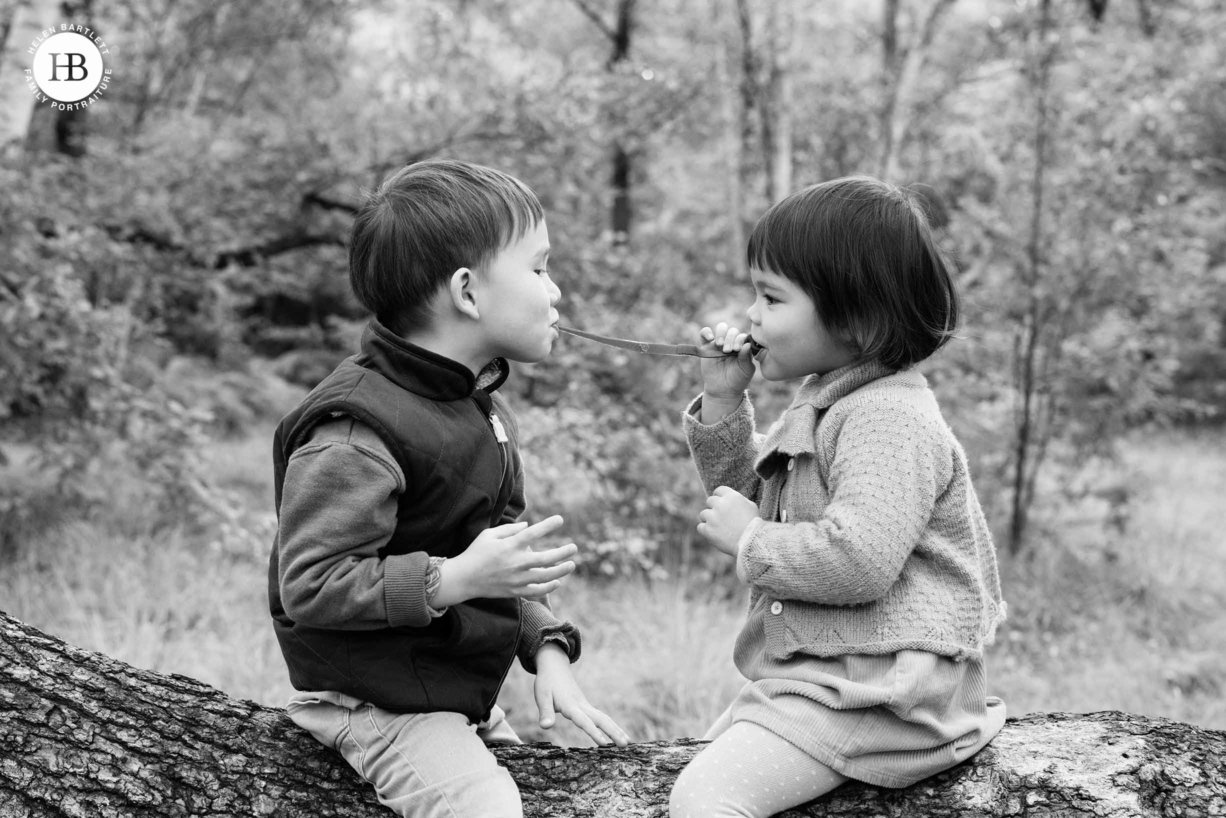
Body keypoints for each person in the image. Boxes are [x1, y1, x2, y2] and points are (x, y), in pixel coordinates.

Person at [268, 159, 628, 818]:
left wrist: (547, 648)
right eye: (541, 268)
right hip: (373, 700)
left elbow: (501, 569)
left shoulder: (480, 410)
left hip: (441, 689)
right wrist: (451, 579)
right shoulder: (355, 431)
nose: (557, 292)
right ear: (467, 292)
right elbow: (312, 584)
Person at [670, 176, 1007, 817]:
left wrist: (749, 540)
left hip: (886, 690)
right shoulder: (833, 398)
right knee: (706, 771)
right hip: (835, 678)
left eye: (772, 297)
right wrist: (720, 402)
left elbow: (860, 559)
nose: (751, 315)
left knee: (705, 798)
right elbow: (755, 498)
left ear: (856, 319)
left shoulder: (887, 416)